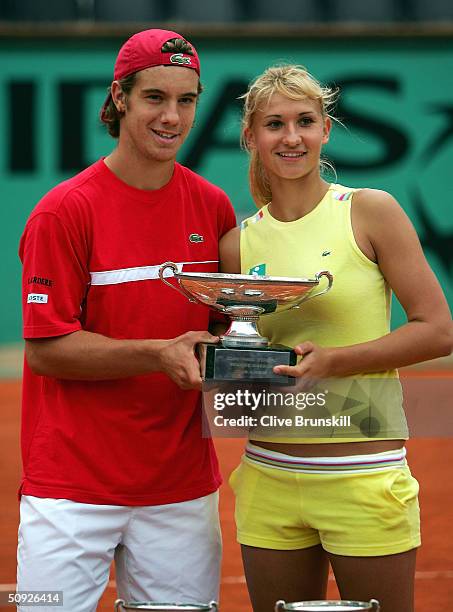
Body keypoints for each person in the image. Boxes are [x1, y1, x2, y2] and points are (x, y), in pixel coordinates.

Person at [219, 65, 452, 612]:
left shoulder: (371, 211)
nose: (291, 136)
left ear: (326, 129)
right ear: (250, 136)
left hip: (361, 477)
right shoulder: (237, 245)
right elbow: (239, 366)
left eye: (305, 121)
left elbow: (439, 329)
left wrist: (336, 362)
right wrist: (226, 370)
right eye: (274, 124)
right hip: (268, 475)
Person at [18, 28, 236, 611]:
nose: (172, 116)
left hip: (179, 487)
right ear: (119, 99)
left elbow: (223, 331)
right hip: (70, 488)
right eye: (154, 98)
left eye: (186, 100)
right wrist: (156, 353)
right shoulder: (63, 211)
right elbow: (45, 350)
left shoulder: (213, 206)